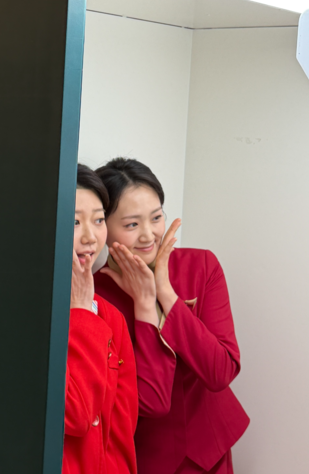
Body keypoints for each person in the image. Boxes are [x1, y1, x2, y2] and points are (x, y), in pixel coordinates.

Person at [93, 158, 249, 474]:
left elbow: (221, 372)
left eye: (156, 217)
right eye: (132, 225)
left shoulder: (202, 267)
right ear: (103, 227)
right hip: (146, 455)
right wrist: (144, 304)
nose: (149, 236)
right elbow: (148, 401)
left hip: (210, 448)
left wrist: (165, 292)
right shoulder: (96, 295)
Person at [63, 164, 138, 474]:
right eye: (74, 221)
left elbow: (121, 434)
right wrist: (80, 313)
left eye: (98, 220)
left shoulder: (111, 317)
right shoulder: (23, 314)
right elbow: (77, 415)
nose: (90, 237)